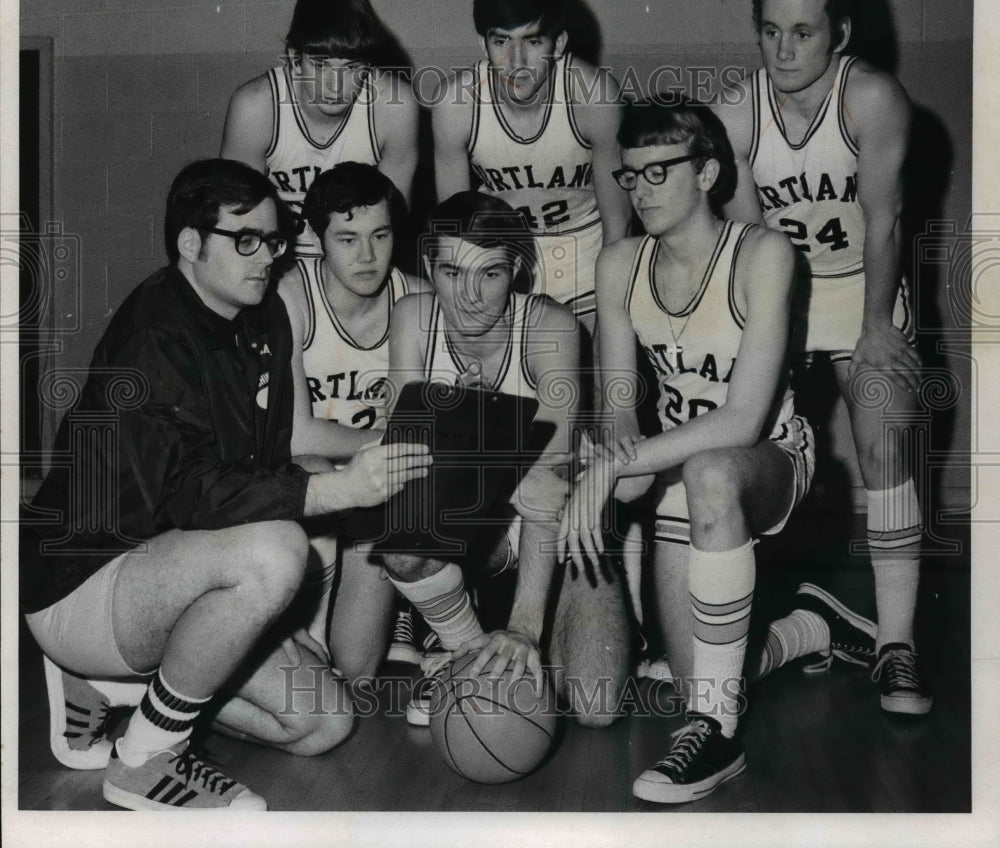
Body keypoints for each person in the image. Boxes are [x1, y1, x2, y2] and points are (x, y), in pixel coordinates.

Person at [19, 159, 430, 811]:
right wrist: (333, 494)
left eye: (272, 239)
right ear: (191, 243)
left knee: (321, 721)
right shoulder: (154, 335)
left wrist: (257, 618)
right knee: (275, 549)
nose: (266, 256)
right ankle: (146, 755)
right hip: (82, 578)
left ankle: (120, 690)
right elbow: (189, 497)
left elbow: (262, 462)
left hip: (171, 572)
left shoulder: (260, 317)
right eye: (245, 240)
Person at [562, 95, 859, 804]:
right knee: (700, 674)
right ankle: (811, 628)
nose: (640, 190)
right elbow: (618, 417)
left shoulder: (764, 253)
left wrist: (618, 468)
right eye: (629, 176)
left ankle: (717, 739)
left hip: (769, 460)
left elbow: (744, 417)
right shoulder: (618, 265)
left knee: (710, 469)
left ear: (708, 171)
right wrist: (607, 475)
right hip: (674, 469)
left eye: (659, 171)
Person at [714, 0, 931, 715]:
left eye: (803, 32)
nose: (783, 50)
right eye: (769, 31)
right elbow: (747, 250)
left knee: (887, 415)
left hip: (858, 286)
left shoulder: (873, 100)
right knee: (731, 439)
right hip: (784, 295)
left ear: (839, 31)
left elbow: (884, 222)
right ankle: (733, 630)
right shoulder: (737, 117)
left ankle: (897, 643)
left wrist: (876, 327)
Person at [380, 191, 630, 728]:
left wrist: (524, 627)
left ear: (515, 269)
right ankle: (467, 650)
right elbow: (402, 459)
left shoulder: (552, 328)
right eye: (451, 272)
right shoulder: (413, 317)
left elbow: (549, 484)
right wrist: (490, 453)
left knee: (595, 706)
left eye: (489, 275)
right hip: (479, 523)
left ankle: (508, 627)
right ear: (429, 266)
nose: (469, 296)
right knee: (400, 534)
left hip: (561, 526)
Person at [432, 0, 631, 331]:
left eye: (532, 41)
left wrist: (611, 316)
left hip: (587, 265)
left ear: (559, 42)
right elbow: (459, 236)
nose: (516, 62)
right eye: (500, 40)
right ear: (482, 41)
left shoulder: (594, 98)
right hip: (503, 271)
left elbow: (619, 228)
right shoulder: (456, 107)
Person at [278, 161, 430, 672]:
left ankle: (410, 606)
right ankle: (305, 627)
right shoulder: (291, 295)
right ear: (317, 238)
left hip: (383, 489)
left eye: (380, 235)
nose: (367, 256)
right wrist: (387, 438)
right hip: (314, 488)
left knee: (357, 670)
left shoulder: (420, 299)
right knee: (312, 464)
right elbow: (299, 434)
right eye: (347, 239)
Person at [221, 0, 419, 258]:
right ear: (294, 58)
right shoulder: (256, 108)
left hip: (355, 267)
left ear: (368, 63)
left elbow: (390, 231)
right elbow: (238, 228)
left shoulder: (394, 108)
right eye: (322, 65)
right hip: (276, 267)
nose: (336, 85)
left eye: (351, 67)